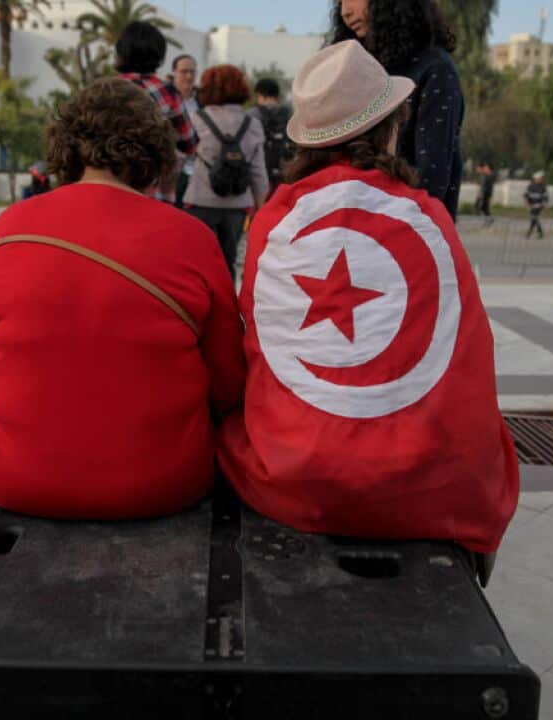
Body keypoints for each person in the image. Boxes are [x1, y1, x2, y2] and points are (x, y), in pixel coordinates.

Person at [219, 40, 518, 556]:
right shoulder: (429, 217)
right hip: (427, 490)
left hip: (293, 482)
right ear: (391, 127)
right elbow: (464, 351)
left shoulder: (274, 218)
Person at [0, 78, 245, 519]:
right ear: (154, 153)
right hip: (166, 482)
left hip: (15, 479)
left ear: (66, 147)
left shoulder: (12, 225)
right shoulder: (191, 237)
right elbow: (229, 382)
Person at [330, 0, 463, 217]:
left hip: (406, 232)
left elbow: (431, 179)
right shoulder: (360, 70)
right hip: (351, 225)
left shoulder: (435, 69)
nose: (345, 11)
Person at [185, 64, 269, 279]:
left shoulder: (197, 118)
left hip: (200, 200)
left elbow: (179, 157)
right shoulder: (253, 123)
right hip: (238, 204)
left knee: (196, 260)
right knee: (227, 261)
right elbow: (259, 171)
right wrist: (261, 208)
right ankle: (226, 305)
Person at [115, 22, 197, 201]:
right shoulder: (167, 92)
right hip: (153, 194)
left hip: (107, 190)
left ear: (121, 52)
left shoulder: (102, 89)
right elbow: (189, 143)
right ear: (159, 55)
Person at [246, 77, 294, 196]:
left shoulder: (252, 115)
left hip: (260, 170)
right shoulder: (288, 113)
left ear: (260, 94)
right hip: (284, 169)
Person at [171, 53, 199, 207]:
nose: (188, 76)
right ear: (174, 72)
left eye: (192, 72)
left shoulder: (202, 101)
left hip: (197, 171)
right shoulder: (166, 100)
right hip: (172, 170)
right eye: (184, 71)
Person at [525, 170, 548, 238]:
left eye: (541, 178)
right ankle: (540, 233)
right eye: (540, 178)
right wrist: (527, 203)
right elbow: (526, 195)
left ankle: (529, 233)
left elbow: (545, 197)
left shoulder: (543, 187)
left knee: (534, 218)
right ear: (536, 179)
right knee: (534, 219)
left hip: (539, 205)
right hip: (531, 205)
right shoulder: (530, 186)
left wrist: (544, 205)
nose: (541, 179)